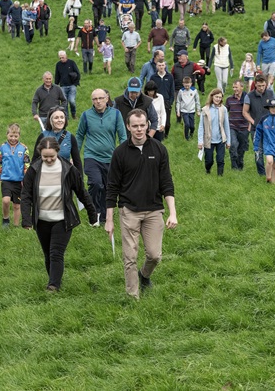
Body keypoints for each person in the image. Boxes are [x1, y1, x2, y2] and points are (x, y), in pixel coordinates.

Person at [105, 109, 177, 299]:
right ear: (128, 127)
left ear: (148, 126)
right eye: (134, 126)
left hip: (154, 210)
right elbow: (111, 187)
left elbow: (167, 183)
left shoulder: (159, 149)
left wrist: (172, 212)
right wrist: (109, 219)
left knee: (154, 255)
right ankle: (132, 298)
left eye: (142, 125)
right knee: (130, 257)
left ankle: (144, 275)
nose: (139, 130)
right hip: (129, 211)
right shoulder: (120, 153)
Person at [21, 136, 97, 292]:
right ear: (40, 154)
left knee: (56, 253)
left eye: (52, 156)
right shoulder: (34, 170)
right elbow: (26, 195)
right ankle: (54, 280)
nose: (49, 160)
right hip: (42, 220)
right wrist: (26, 219)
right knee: (48, 255)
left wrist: (92, 214)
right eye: (45, 157)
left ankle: (53, 286)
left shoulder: (68, 170)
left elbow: (82, 192)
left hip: (63, 219)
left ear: (58, 152)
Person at [76, 89, 127, 224]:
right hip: (91, 156)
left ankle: (104, 217)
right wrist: (74, 155)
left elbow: (122, 135)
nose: (98, 101)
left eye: (100, 98)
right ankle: (94, 210)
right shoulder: (86, 116)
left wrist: (125, 154)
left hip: (110, 158)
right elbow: (80, 135)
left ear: (106, 98)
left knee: (107, 188)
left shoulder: (116, 114)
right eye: (95, 99)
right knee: (96, 183)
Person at [0, 123, 30, 228]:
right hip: (6, 180)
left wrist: (26, 178)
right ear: (7, 135)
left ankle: (15, 226)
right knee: (5, 200)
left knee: (16, 205)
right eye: (11, 136)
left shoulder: (24, 148)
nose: (13, 138)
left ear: (19, 136)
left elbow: (27, 165)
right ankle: (5, 219)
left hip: (19, 181)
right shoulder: (2, 148)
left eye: (15, 136)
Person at [243, 75, 275, 175]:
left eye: (263, 85)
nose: (261, 88)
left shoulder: (271, 93)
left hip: (270, 128)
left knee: (271, 150)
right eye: (259, 86)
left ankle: (270, 170)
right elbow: (245, 112)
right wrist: (254, 122)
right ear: (255, 84)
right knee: (258, 151)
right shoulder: (249, 96)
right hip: (256, 129)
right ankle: (261, 173)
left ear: (266, 84)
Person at [32, 107, 82, 174]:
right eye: (56, 118)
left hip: (65, 176)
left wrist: (80, 181)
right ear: (51, 120)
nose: (60, 120)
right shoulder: (43, 136)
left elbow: (77, 162)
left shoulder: (70, 137)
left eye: (62, 117)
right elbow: (35, 159)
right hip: (46, 175)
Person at [198, 88, 230, 175]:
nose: (218, 99)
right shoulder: (205, 109)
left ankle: (220, 177)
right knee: (209, 160)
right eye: (216, 97)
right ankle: (208, 170)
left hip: (220, 139)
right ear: (212, 97)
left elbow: (226, 125)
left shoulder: (224, 109)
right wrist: (200, 141)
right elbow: (201, 126)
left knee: (220, 160)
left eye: (220, 97)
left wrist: (228, 141)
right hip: (209, 139)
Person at [225, 80, 249, 170]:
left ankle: (240, 164)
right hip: (232, 126)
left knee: (242, 148)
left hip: (244, 127)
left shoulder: (247, 99)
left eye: (237, 87)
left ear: (242, 87)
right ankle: (234, 165)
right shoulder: (229, 99)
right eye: (233, 87)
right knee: (233, 145)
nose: (235, 89)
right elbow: (224, 111)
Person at [150, 60, 176, 138]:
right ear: (157, 66)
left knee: (167, 122)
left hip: (167, 101)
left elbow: (172, 90)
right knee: (157, 118)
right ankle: (156, 133)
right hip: (156, 101)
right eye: (159, 65)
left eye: (162, 65)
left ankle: (166, 135)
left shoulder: (170, 76)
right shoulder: (153, 77)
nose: (161, 67)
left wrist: (170, 102)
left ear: (165, 66)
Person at [55, 50, 81, 119]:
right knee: (64, 102)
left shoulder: (71, 63)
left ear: (66, 56)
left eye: (62, 57)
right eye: (60, 58)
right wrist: (56, 84)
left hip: (72, 85)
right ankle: (66, 117)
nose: (61, 59)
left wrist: (76, 83)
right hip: (63, 86)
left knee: (72, 101)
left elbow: (78, 73)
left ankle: (73, 114)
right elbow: (57, 75)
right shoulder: (58, 65)